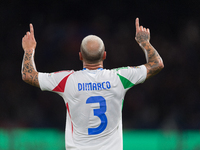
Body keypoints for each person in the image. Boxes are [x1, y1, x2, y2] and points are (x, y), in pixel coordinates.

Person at [21, 18, 164, 150]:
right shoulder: (120, 78)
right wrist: (144, 42)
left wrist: (29, 50)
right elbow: (157, 64)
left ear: (80, 56)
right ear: (104, 55)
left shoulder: (67, 81)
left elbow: (28, 75)